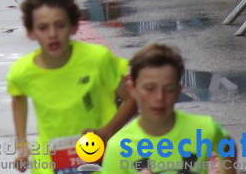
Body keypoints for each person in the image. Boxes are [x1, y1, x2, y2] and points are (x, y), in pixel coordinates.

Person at [7, 0, 135, 173]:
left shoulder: (97, 59)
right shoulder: (22, 71)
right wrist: (22, 145)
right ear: (31, 32)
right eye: (43, 28)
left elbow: (133, 98)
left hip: (100, 159)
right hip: (49, 164)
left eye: (60, 25)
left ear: (74, 26)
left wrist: (107, 132)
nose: (52, 34)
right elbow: (18, 99)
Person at [101, 43, 236, 174]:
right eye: (150, 89)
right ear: (133, 89)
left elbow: (228, 147)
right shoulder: (118, 148)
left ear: (178, 91)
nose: (159, 97)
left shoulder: (204, 129)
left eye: (169, 89)